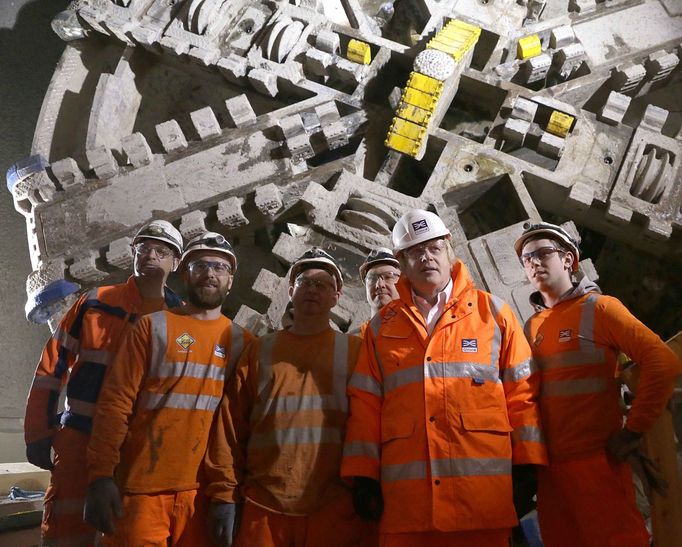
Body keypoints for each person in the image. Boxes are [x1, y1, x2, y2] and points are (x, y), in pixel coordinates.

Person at [341, 209, 547, 547]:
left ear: (449, 249)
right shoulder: (381, 328)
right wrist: (363, 474)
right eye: (414, 251)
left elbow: (522, 393)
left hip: (481, 501)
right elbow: (365, 404)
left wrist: (528, 467)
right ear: (401, 262)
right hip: (409, 508)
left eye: (434, 248)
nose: (426, 257)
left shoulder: (493, 313)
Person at [514, 221, 682, 547]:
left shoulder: (600, 308)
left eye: (542, 253)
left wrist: (633, 430)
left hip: (596, 465)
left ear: (568, 259)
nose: (534, 262)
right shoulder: (533, 325)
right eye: (526, 258)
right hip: (549, 474)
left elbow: (662, 361)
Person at [84, 231, 254, 546]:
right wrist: (101, 475)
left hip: (202, 494)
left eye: (220, 267)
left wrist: (226, 495)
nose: (210, 274)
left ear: (231, 279)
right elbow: (114, 405)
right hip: (140, 490)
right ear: (185, 272)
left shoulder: (243, 343)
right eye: (200, 265)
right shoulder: (152, 328)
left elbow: (237, 428)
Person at [24, 219, 184, 547]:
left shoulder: (180, 319)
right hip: (79, 438)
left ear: (175, 262)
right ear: (133, 253)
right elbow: (51, 367)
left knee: (128, 534)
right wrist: (37, 432)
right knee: (65, 530)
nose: (151, 255)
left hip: (137, 449)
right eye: (144, 248)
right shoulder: (96, 302)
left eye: (162, 250)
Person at [204, 247, 377, 547]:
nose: (312, 289)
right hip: (264, 507)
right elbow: (230, 428)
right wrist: (223, 495)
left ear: (337, 297)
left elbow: (371, 425)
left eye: (322, 284)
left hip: (333, 509)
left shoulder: (354, 353)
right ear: (290, 290)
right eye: (305, 282)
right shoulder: (260, 350)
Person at [360, 247, 401, 318]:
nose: (379, 285)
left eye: (388, 277)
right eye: (372, 279)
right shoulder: (362, 329)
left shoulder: (418, 327)